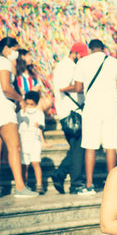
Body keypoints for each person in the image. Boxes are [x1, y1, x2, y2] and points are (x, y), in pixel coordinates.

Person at [74, 39, 117, 195]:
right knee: (111, 146)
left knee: (90, 146)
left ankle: (89, 184)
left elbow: (78, 88)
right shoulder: (115, 63)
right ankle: (111, 185)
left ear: (90, 49)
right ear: (104, 49)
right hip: (110, 107)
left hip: (92, 108)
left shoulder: (82, 62)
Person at [0, 37, 38, 198]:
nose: (17, 53)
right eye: (15, 49)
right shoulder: (4, 62)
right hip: (4, 109)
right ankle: (20, 187)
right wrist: (20, 99)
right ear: (7, 49)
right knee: (14, 147)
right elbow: (7, 88)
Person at [51, 42, 88, 194]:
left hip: (73, 112)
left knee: (76, 148)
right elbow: (62, 87)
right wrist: (81, 87)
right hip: (70, 113)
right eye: (81, 56)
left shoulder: (71, 66)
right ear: (74, 53)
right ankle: (76, 183)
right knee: (79, 149)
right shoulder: (65, 66)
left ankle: (59, 175)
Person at [18, 91, 46, 195]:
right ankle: (24, 184)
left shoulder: (39, 114)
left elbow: (42, 126)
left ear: (36, 104)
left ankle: (39, 184)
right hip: (23, 142)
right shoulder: (20, 113)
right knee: (24, 165)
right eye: (27, 104)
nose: (29, 107)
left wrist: (39, 126)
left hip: (35, 142)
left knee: (35, 163)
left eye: (32, 105)